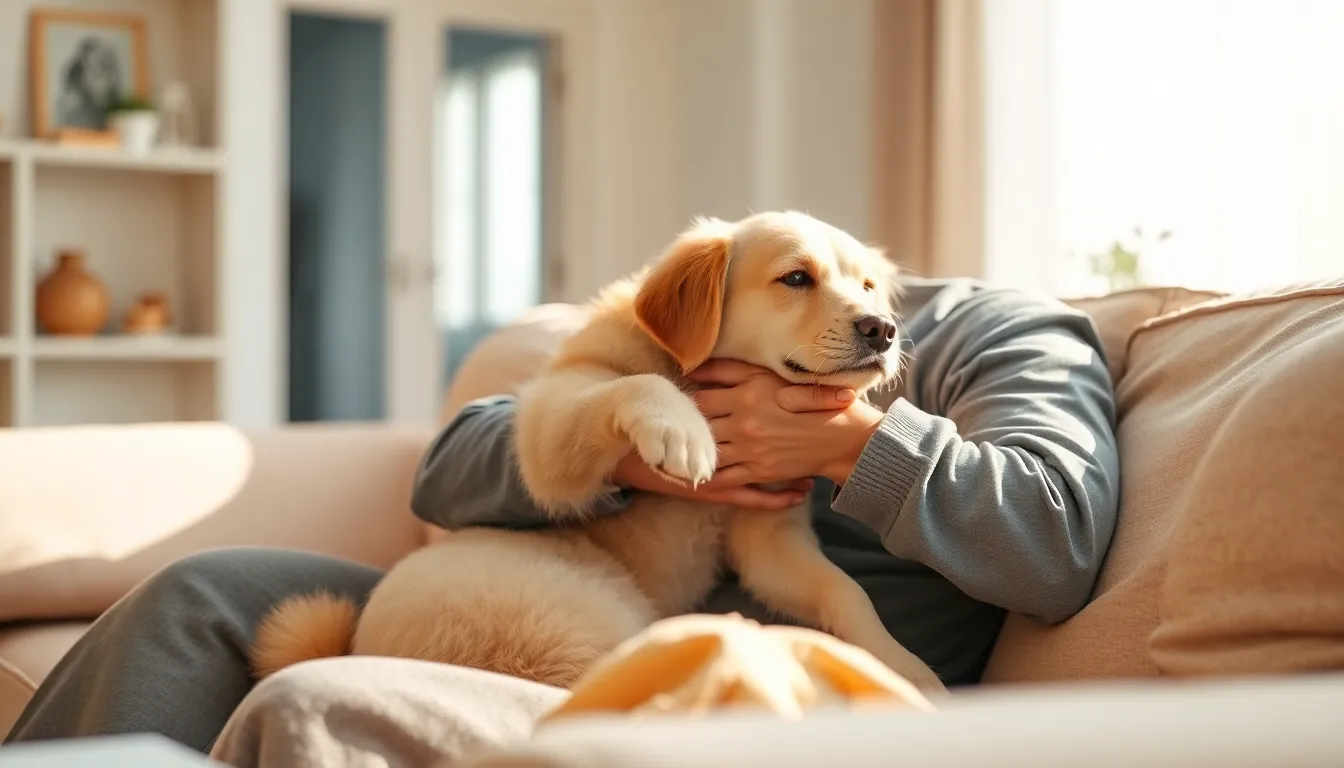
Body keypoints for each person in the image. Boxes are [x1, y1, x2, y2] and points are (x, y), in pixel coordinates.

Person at [4, 277, 1120, 760]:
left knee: (321, 701)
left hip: (703, 674)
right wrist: (645, 453)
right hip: (525, 592)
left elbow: (1055, 534)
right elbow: (452, 466)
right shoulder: (685, 326)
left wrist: (846, 445)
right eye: (785, 284)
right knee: (202, 591)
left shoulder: (1003, 332)